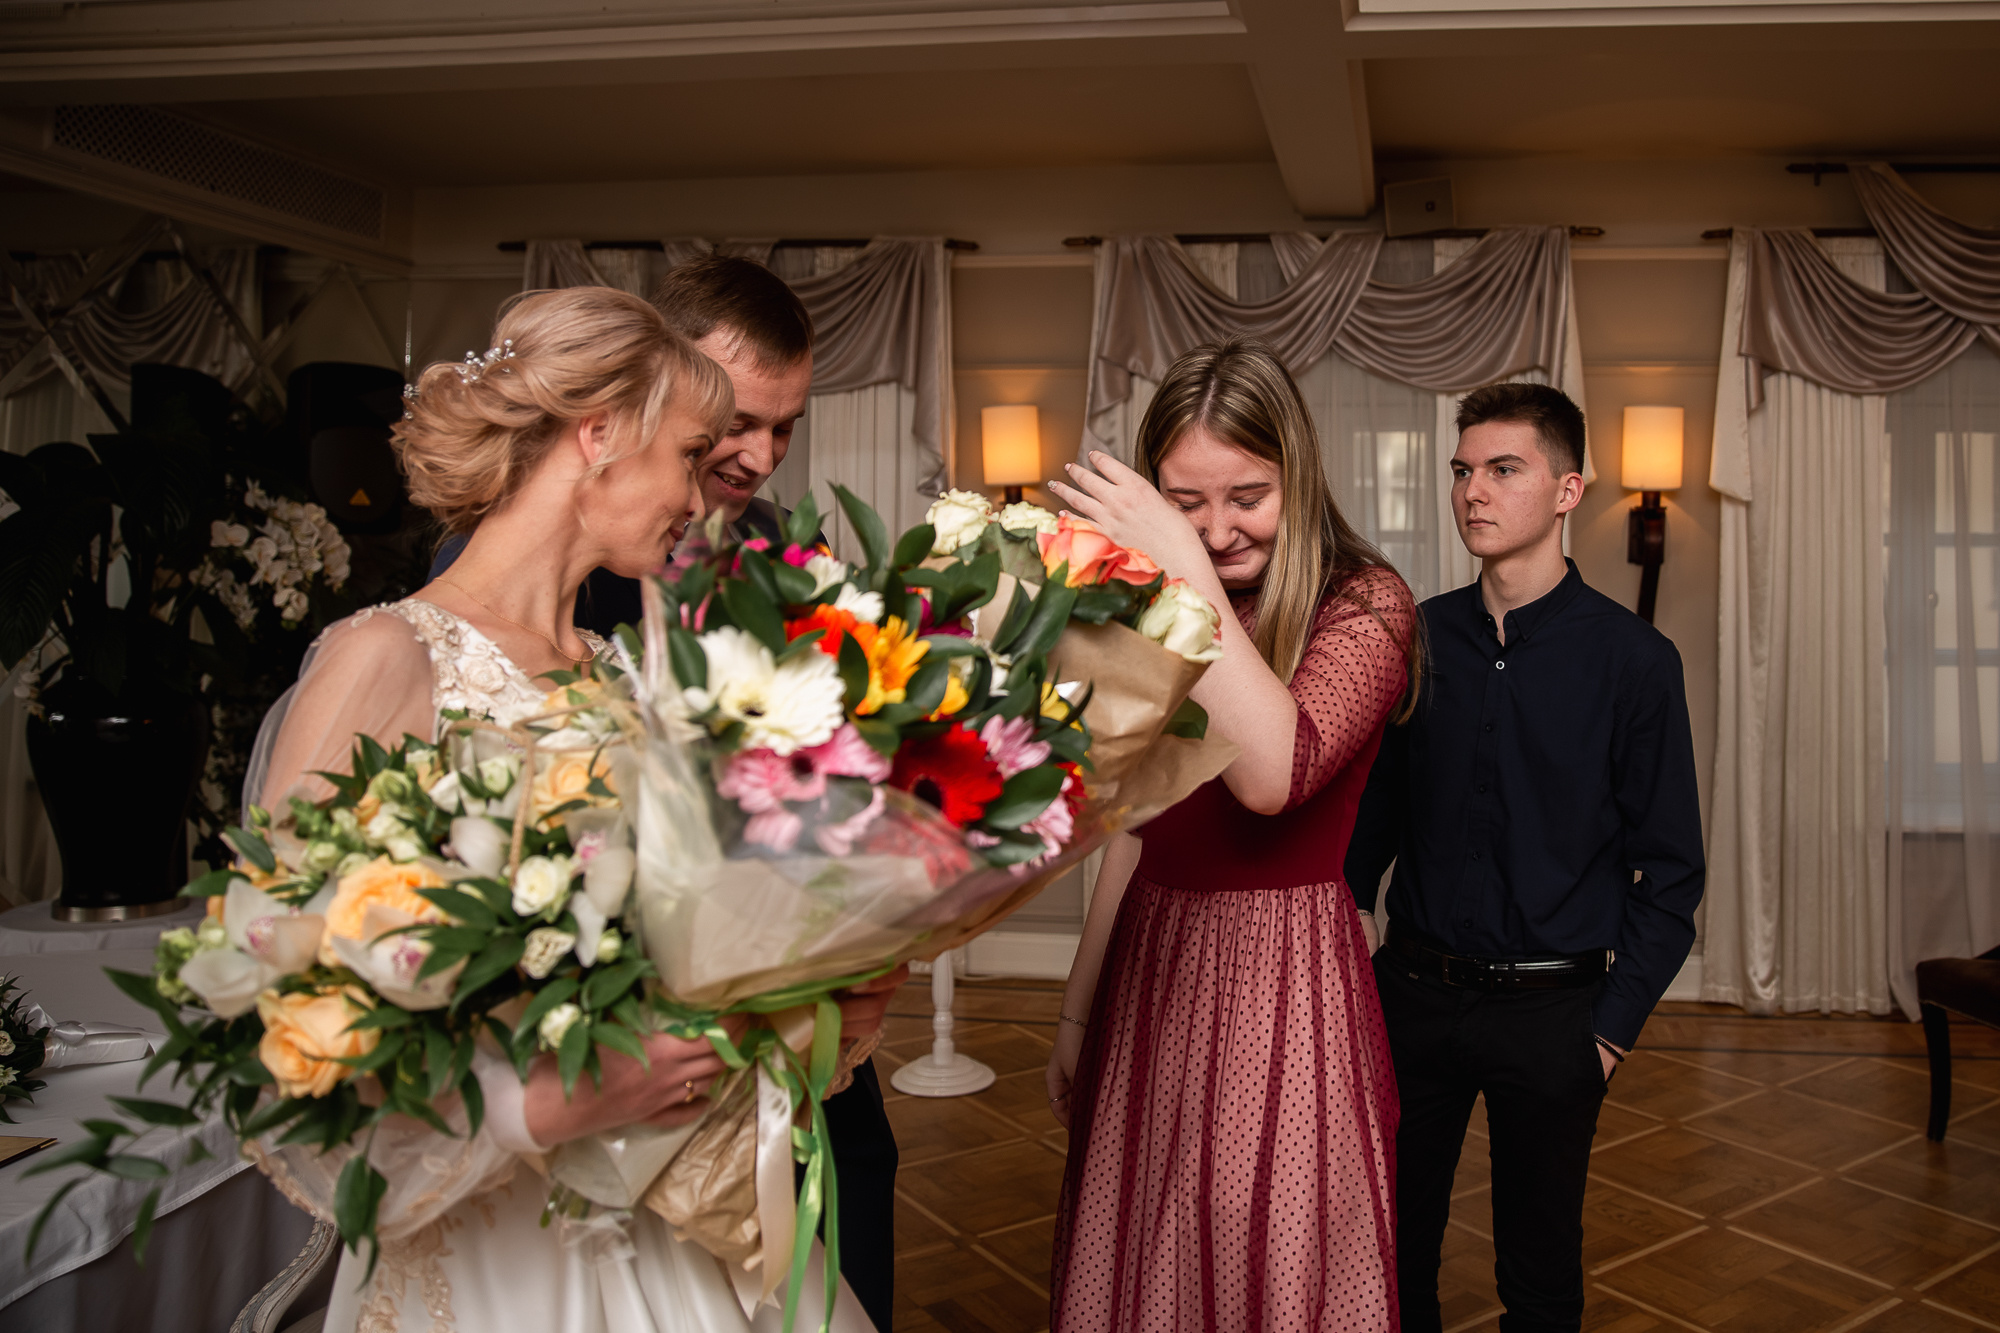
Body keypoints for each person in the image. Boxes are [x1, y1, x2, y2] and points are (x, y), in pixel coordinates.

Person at [250, 287, 898, 1333]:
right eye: (690, 453)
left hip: (670, 1214)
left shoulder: (625, 673)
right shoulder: (386, 655)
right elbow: (282, 1013)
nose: (701, 492)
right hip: (497, 1257)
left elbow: (690, 958)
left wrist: (815, 1005)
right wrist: (532, 1106)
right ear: (599, 434)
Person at [1042, 338, 1419, 1332]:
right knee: (1147, 1254)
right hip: (1151, 961)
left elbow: (1270, 777)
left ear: (1299, 474)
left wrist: (1177, 572)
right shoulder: (1142, 603)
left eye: (1246, 496)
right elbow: (1134, 824)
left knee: (1271, 1257)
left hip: (1283, 978)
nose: (1214, 531)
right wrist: (1077, 1013)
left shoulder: (1365, 603)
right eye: (1185, 504)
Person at [1344, 382, 1704, 1333]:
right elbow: (1368, 827)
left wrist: (1608, 1033)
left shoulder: (1635, 660)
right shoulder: (1415, 637)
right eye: (1463, 469)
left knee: (1540, 1281)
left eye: (1504, 469)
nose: (1473, 490)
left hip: (1556, 1015)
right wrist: (1352, 958)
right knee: (1388, 1257)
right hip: (1410, 999)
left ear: (1568, 489)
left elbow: (1672, 873)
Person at [431, 254, 819, 637]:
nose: (763, 462)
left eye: (783, 428)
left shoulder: (796, 543)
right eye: (734, 425)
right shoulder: (501, 566)